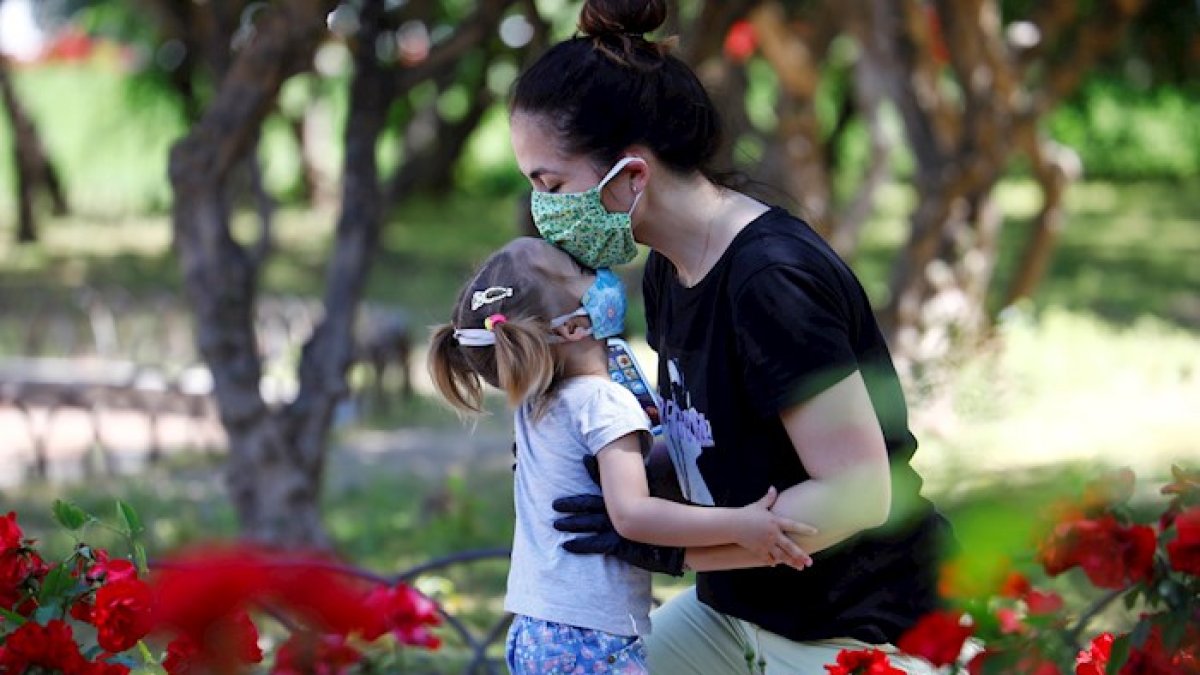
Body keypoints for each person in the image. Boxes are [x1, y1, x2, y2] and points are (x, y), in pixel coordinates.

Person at [507, 0, 956, 672]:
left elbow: (860, 490)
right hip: (736, 608)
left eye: (552, 183)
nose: (544, 210)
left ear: (632, 174)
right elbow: (715, 438)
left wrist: (666, 546)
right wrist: (615, 459)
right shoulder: (668, 268)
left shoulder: (770, 283)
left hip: (858, 626)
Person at [426, 237, 817, 674]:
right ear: (573, 327)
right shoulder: (604, 402)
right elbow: (632, 516)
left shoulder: (538, 402)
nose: (601, 277)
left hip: (536, 630)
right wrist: (742, 525)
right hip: (589, 638)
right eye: (583, 272)